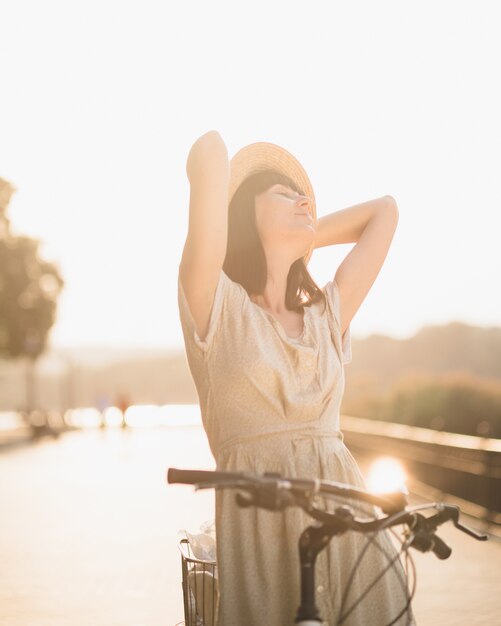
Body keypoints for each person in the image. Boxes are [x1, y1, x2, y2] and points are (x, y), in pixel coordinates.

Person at [177, 130, 415, 626]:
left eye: (302, 194)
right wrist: (243, 233)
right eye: (283, 194)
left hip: (354, 541)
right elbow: (210, 150)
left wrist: (302, 234)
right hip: (260, 540)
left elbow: (385, 211)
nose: (302, 199)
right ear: (243, 214)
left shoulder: (326, 316)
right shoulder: (217, 306)